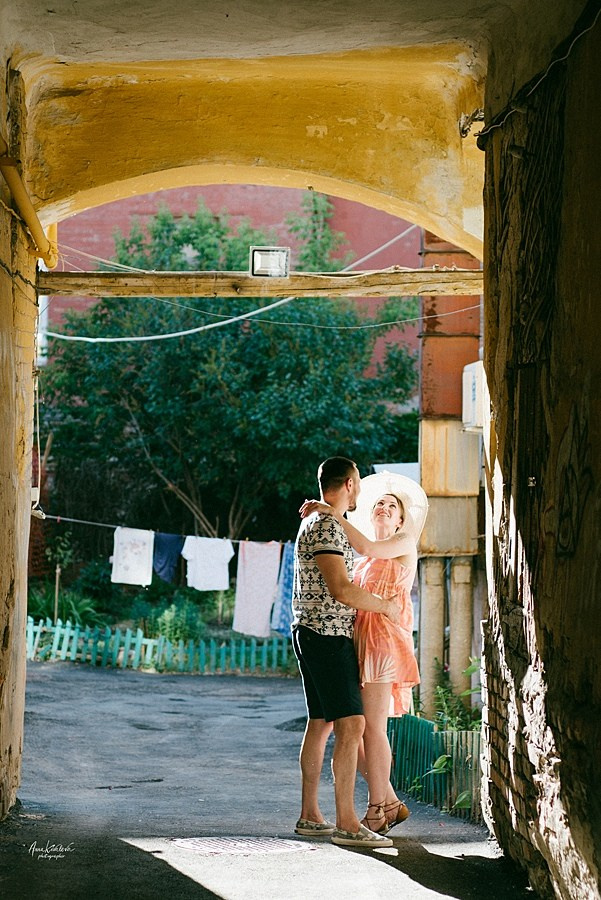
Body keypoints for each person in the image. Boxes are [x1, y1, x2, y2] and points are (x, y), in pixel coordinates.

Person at [300, 470, 428, 835]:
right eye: (380, 505)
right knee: (352, 726)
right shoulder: (366, 552)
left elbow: (368, 548)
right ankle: (387, 799)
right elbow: (360, 557)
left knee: (372, 727)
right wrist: (333, 514)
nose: (385, 509)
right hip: (359, 636)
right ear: (371, 515)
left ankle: (376, 808)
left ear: (402, 519)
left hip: (384, 639)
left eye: (393, 506)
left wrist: (331, 512)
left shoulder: (404, 541)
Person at [291, 456, 400, 848]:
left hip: (315, 632)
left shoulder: (322, 522)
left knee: (321, 722)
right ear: (351, 485)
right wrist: (385, 606)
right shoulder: (325, 527)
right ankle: (348, 823)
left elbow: (357, 547)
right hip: (327, 635)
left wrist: (328, 512)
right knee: (352, 725)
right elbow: (341, 589)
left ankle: (310, 816)